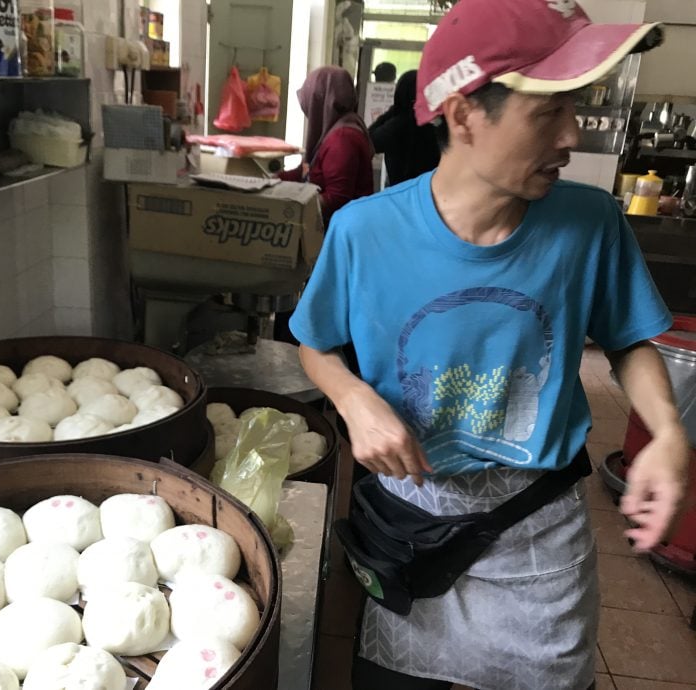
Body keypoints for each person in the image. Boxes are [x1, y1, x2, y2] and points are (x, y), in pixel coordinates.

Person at [289, 1, 688, 689]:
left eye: (577, 108)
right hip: (410, 527)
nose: (571, 136)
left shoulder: (589, 223)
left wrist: (670, 433)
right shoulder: (364, 232)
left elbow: (626, 340)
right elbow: (315, 345)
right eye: (547, 113)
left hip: (537, 538)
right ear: (464, 113)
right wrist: (353, 398)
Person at [279, 65, 374, 231]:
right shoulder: (338, 129)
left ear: (320, 101)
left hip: (339, 233)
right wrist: (268, 181)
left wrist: (289, 201)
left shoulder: (342, 139)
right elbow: (306, 172)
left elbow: (337, 199)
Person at [369, 70, 440, 187]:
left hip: (400, 192)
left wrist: (394, 110)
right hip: (428, 191)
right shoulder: (432, 121)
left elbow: (371, 140)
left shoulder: (398, 124)